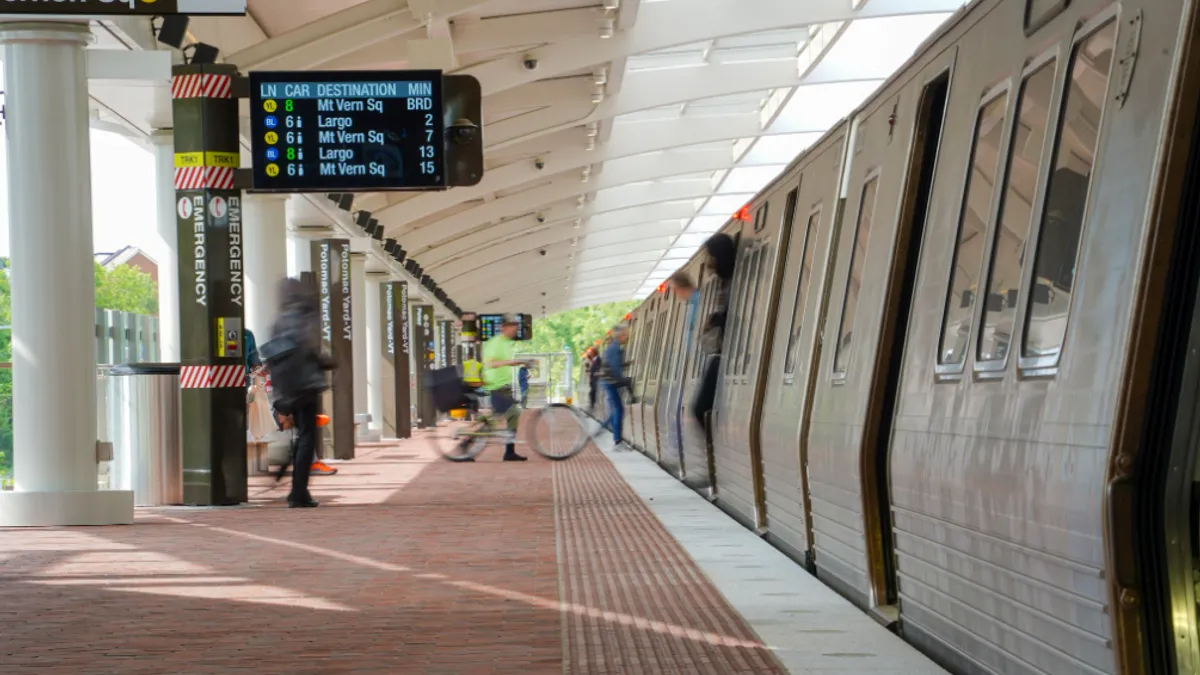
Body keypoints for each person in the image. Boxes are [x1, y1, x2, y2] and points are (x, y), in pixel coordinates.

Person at [262, 278, 335, 508]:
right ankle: (298, 491)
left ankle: (291, 477)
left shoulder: (278, 321)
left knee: (300, 435)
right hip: (306, 385)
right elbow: (311, 350)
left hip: (287, 386)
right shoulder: (306, 318)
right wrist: (327, 363)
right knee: (307, 437)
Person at [692, 233, 735, 431]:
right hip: (726, 353)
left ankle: (710, 446)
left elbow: (734, 317)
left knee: (699, 408)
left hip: (729, 355)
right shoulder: (725, 284)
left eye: (710, 256)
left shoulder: (732, 284)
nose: (708, 262)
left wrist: (715, 319)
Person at [481, 314, 529, 462]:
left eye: (516, 325)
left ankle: (509, 451)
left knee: (508, 416)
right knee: (508, 414)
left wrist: (517, 362)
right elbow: (490, 363)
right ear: (504, 327)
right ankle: (468, 444)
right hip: (496, 385)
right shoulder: (495, 342)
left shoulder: (506, 343)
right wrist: (511, 362)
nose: (515, 328)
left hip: (504, 386)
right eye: (512, 325)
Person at [601, 324, 632, 449]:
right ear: (620, 335)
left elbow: (615, 365)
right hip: (611, 383)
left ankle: (616, 437)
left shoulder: (613, 347)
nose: (627, 336)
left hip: (610, 382)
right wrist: (624, 381)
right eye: (625, 334)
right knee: (619, 410)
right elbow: (615, 369)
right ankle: (617, 440)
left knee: (616, 409)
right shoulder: (614, 348)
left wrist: (625, 364)